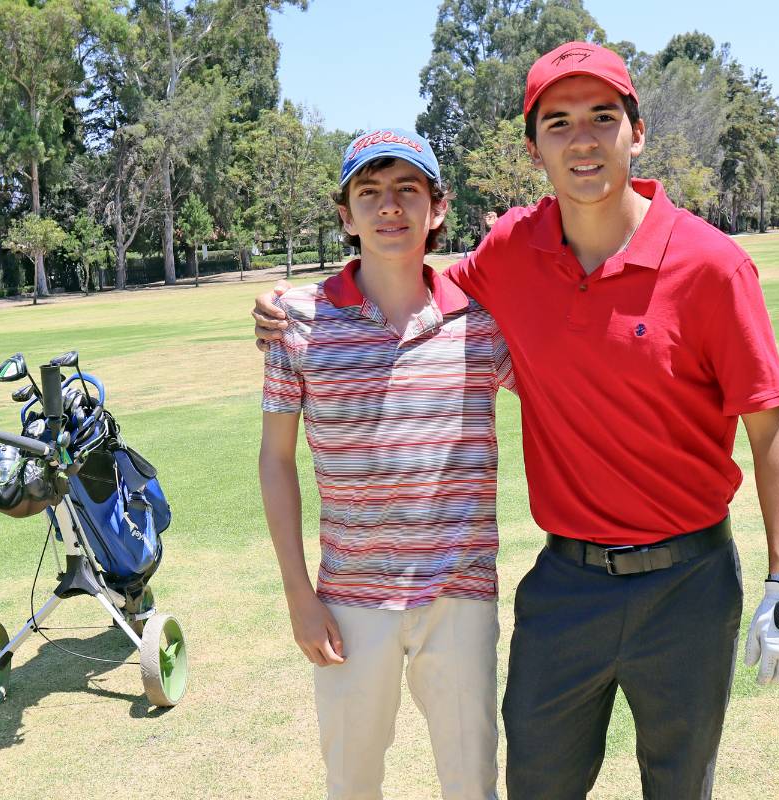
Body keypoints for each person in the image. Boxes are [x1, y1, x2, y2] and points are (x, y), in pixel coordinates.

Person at [254, 42, 779, 800]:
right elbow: (414, 286)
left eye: (602, 118)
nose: (582, 140)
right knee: (535, 784)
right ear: (534, 146)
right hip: (564, 584)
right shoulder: (511, 252)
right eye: (559, 123)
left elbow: (770, 422)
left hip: (690, 579)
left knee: (679, 786)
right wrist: (301, 306)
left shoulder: (712, 265)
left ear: (636, 132)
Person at [258, 127, 514, 800]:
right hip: (346, 602)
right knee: (351, 784)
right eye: (368, 192)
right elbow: (275, 461)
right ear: (346, 214)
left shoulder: (482, 323)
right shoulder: (297, 323)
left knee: (472, 785)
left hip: (459, 595)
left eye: (408, 189)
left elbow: (570, 377)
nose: (389, 207)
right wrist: (298, 596)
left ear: (438, 207)